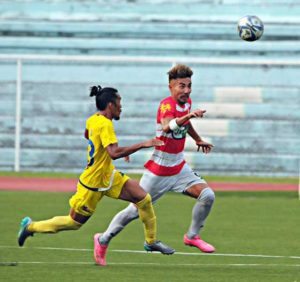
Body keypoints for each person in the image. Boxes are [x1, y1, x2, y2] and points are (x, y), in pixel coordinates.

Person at [17, 85, 175, 266]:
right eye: (119, 103)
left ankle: (151, 241)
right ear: (110, 105)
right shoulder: (105, 124)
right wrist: (142, 144)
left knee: (143, 199)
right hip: (92, 184)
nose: (121, 107)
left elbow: (89, 136)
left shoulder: (93, 120)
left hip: (108, 175)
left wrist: (114, 150)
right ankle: (30, 227)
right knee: (73, 223)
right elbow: (114, 153)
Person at [97, 64, 216, 263]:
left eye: (189, 86)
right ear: (171, 86)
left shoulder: (186, 104)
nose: (186, 90)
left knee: (207, 195)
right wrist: (189, 116)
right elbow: (168, 127)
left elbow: (185, 124)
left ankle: (192, 236)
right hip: (159, 172)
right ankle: (103, 239)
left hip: (179, 167)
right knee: (134, 212)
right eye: (181, 86)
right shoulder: (166, 105)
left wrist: (197, 139)